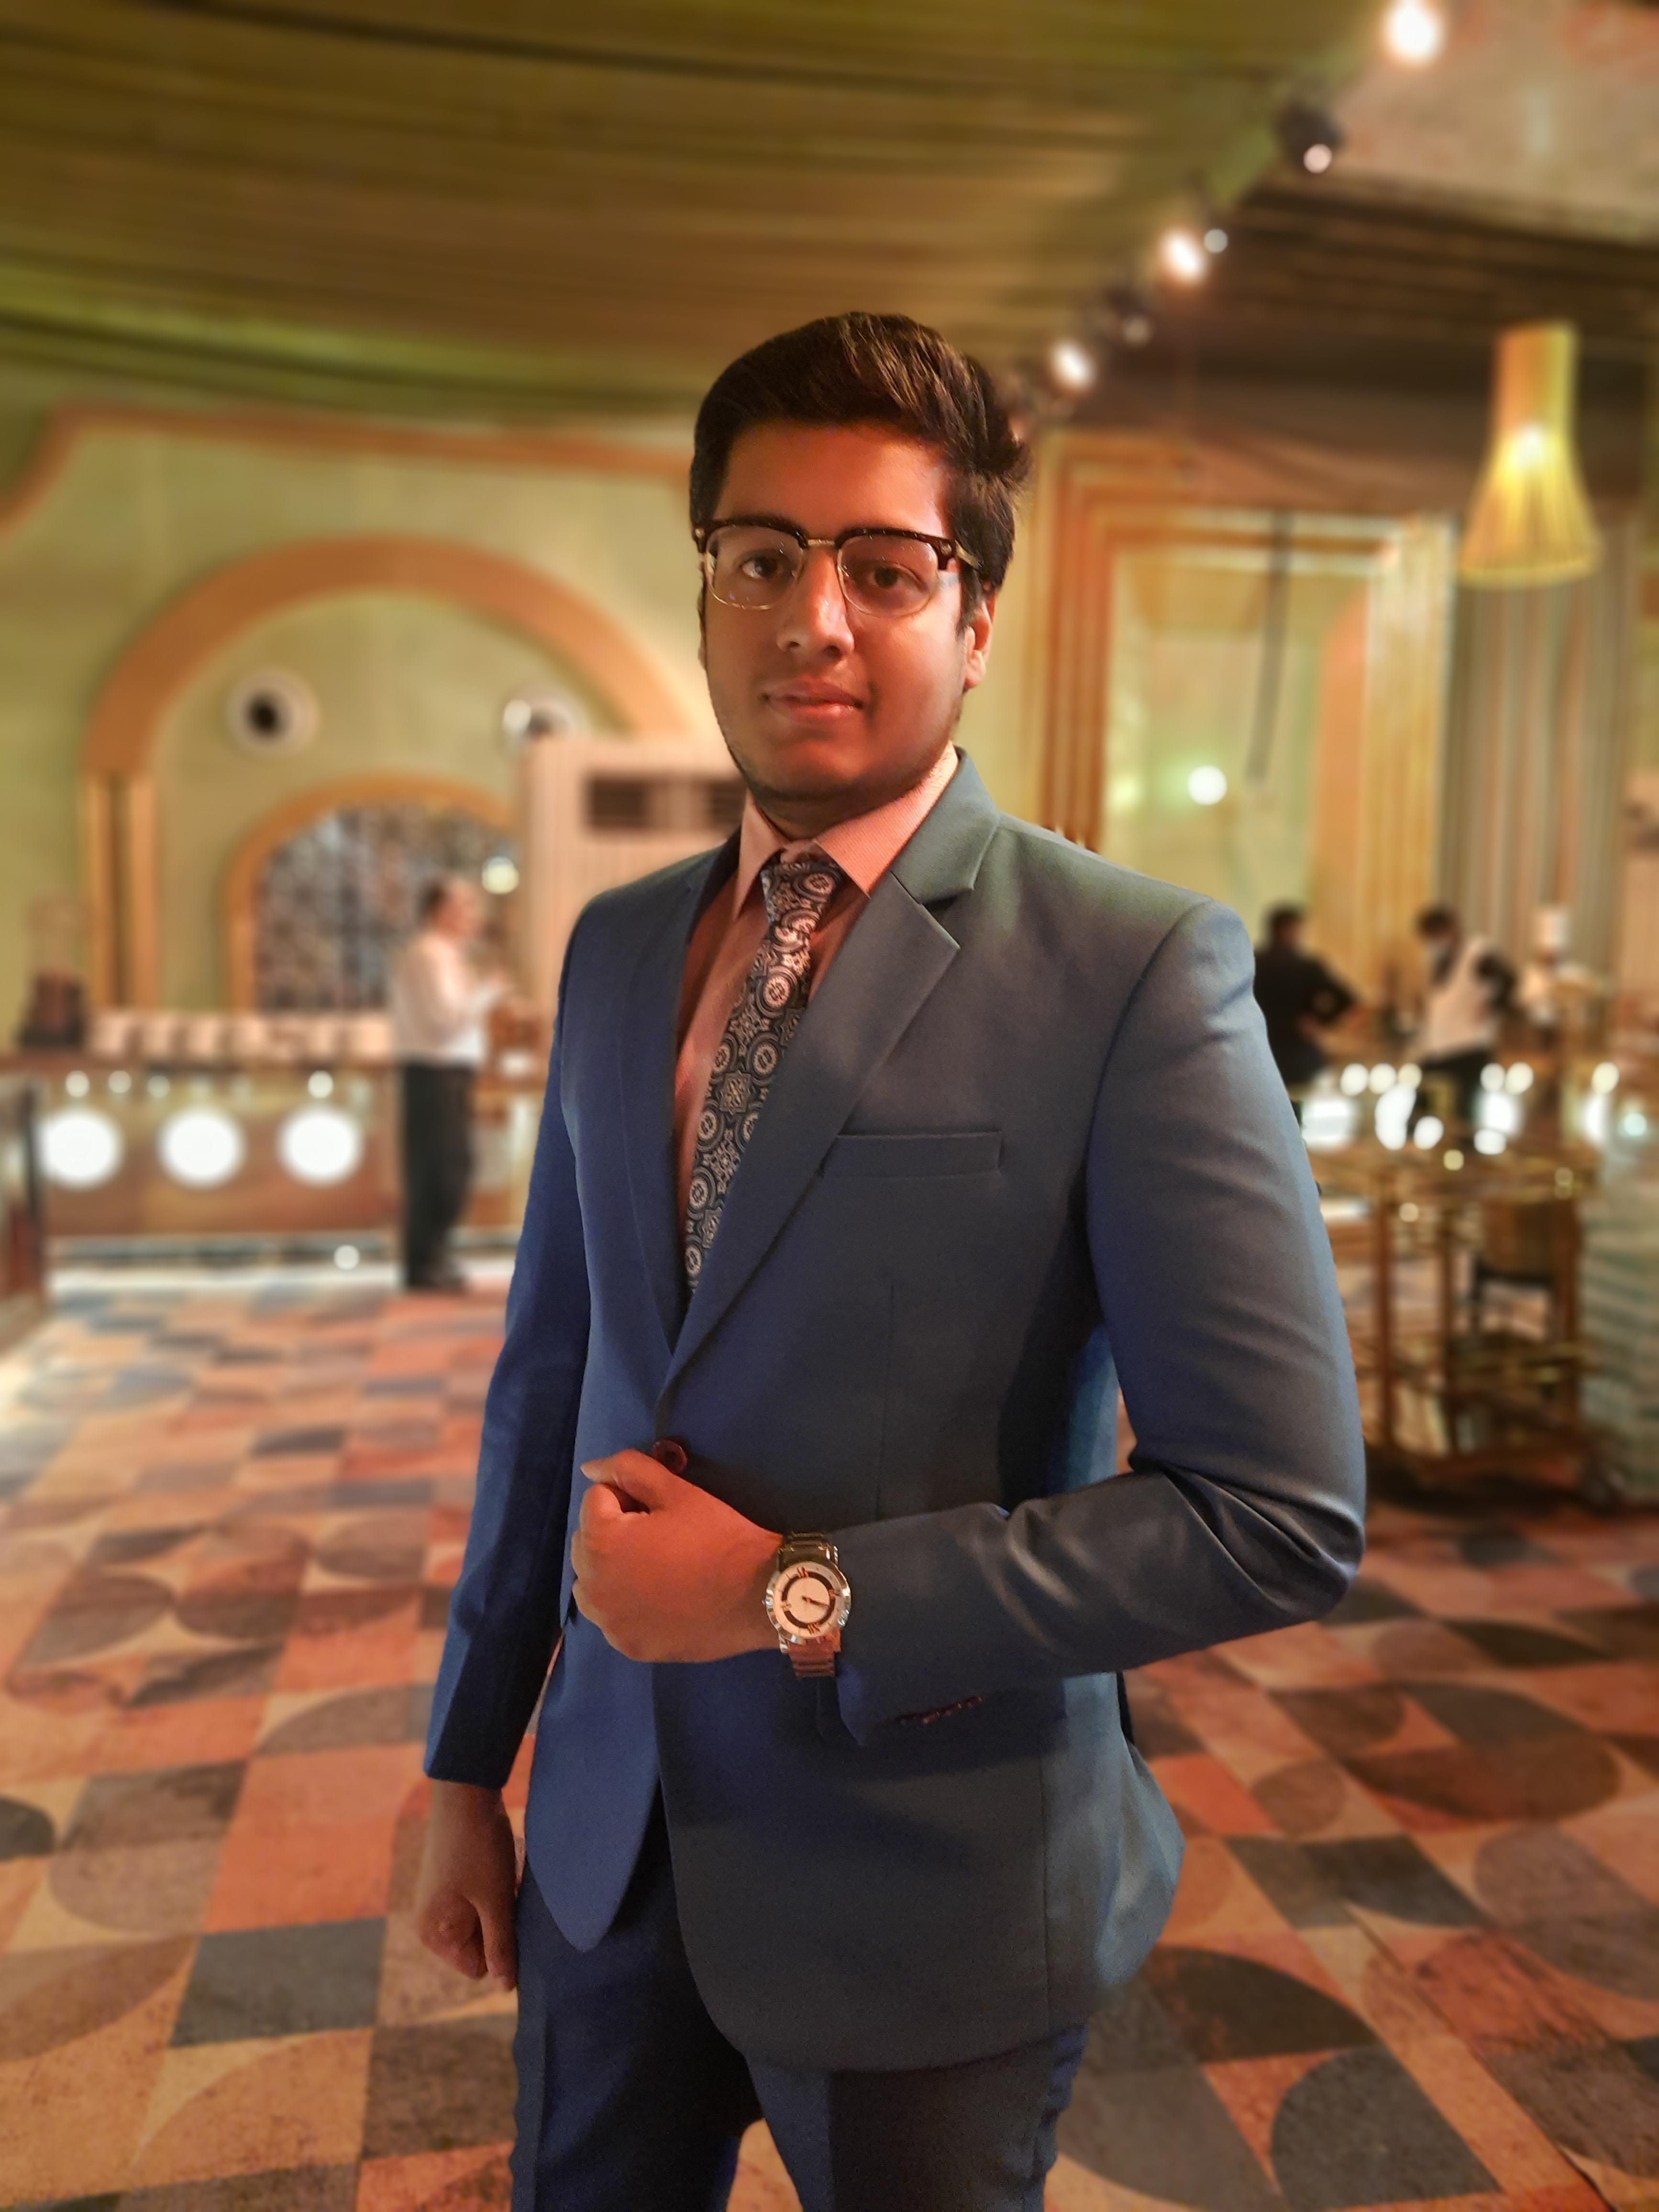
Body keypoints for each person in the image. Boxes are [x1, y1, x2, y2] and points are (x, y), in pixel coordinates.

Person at [416, 313, 1366, 2212]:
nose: (813, 619)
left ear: (976, 617)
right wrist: (465, 1756)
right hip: (606, 1843)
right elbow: (555, 1377)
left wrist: (792, 1595)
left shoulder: (1128, 970)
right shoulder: (617, 950)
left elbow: (1274, 1514)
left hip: (928, 1880)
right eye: (761, 559)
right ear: (707, 592)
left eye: (884, 567)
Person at [387, 875, 505, 1291]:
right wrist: (488, 993)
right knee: (437, 1169)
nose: (473, 917)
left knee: (451, 1166)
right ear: (442, 912)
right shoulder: (430, 954)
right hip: (434, 1070)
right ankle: (425, 1264)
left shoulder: (446, 955)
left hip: (447, 1072)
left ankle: (434, 1257)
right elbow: (444, 1020)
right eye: (465, 908)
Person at [1412, 903, 1515, 1134]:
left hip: (1470, 1048)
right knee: (1420, 1111)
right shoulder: (1442, 961)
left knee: (1465, 1118)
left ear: (1451, 929)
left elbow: (1509, 980)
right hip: (1439, 1049)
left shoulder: (1478, 954)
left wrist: (1492, 1007)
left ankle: (1466, 1156)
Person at [1251, 903, 1357, 1117]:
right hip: (1299, 1054)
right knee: (1300, 1115)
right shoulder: (1306, 966)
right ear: (1289, 930)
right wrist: (1321, 1020)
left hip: (1258, 1051)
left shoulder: (1251, 962)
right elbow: (1347, 999)